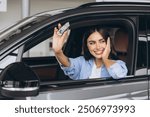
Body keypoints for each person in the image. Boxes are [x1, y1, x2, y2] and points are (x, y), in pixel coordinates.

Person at [52, 24, 128, 80]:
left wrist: (105, 59)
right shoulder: (82, 62)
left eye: (101, 41)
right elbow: (69, 66)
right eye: (92, 43)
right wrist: (58, 51)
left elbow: (119, 75)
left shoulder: (118, 64)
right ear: (87, 46)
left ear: (108, 43)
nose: (98, 47)